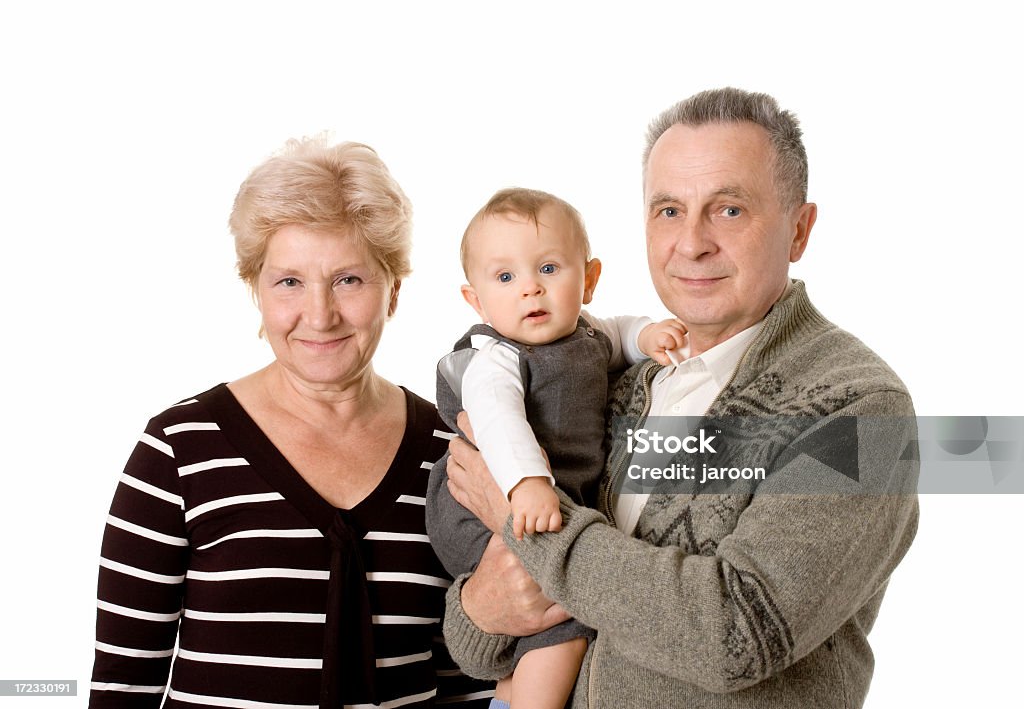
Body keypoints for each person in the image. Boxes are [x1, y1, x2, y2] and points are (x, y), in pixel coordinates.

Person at [440, 88, 920, 708]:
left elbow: (736, 633)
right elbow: (472, 646)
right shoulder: (605, 380)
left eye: (728, 210)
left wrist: (524, 524)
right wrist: (481, 606)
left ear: (799, 230)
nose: (691, 243)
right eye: (668, 210)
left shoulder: (861, 409)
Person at [89, 138, 492, 708]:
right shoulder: (177, 451)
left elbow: (468, 679)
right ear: (256, 290)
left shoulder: (450, 450)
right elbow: (123, 683)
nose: (320, 314)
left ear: (393, 292)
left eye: (349, 279)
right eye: (289, 282)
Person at [425, 188, 686, 709]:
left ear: (588, 279)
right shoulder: (494, 358)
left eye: (548, 269)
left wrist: (649, 335)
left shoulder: (584, 332)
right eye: (505, 278)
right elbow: (497, 424)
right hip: (484, 503)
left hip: (545, 495)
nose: (530, 291)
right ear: (475, 300)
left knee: (545, 612)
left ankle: (507, 695)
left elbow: (617, 335)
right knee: (564, 617)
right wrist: (527, 484)